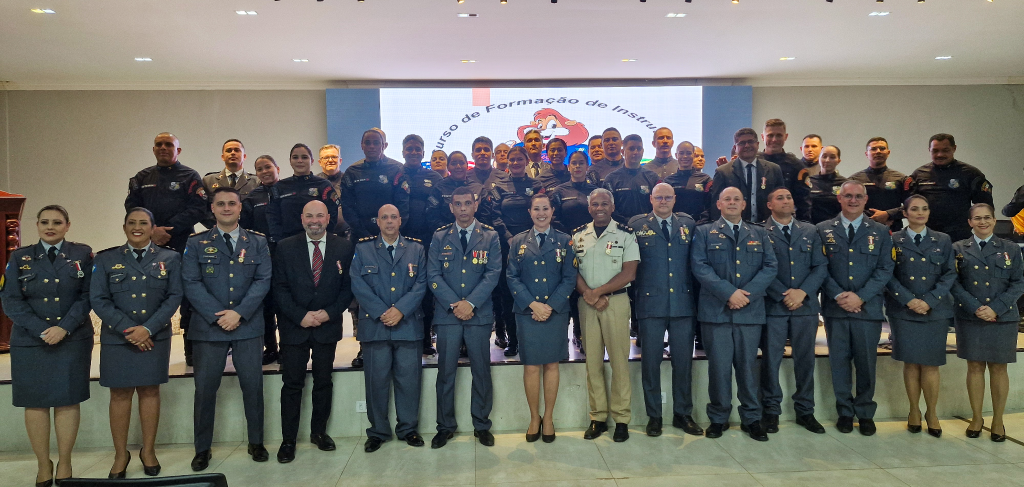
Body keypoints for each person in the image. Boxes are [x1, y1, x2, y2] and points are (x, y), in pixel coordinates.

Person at [182, 188, 272, 471]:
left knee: (253, 387)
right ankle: (202, 448)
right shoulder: (196, 242)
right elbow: (191, 282)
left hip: (247, 325)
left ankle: (256, 442)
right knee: (205, 390)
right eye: (220, 204)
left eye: (232, 203)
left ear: (240, 207)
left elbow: (263, 280)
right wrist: (218, 315)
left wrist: (239, 313)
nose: (226, 208)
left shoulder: (257, 241)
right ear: (212, 208)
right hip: (209, 328)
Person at [1, 205, 93, 486]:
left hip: (72, 337)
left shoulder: (82, 254)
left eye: (57, 222)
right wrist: (42, 330)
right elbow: (10, 300)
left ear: (68, 225)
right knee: (35, 403)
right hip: (31, 341)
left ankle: (65, 461)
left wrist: (64, 327)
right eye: (44, 222)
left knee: (67, 400)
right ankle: (43, 463)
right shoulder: (20, 257)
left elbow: (89, 295)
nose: (50, 227)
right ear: (37, 225)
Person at [91, 208, 182, 479]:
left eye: (143, 223)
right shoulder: (106, 259)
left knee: (150, 391)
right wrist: (128, 330)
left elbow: (174, 296)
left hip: (154, 337)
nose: (137, 227)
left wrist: (147, 329)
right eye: (131, 223)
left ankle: (148, 451)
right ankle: (120, 454)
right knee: (119, 395)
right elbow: (98, 298)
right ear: (124, 227)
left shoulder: (170, 258)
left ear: (153, 228)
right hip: (118, 338)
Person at [692, 187, 777, 441]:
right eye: (726, 199)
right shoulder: (704, 232)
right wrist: (729, 293)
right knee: (718, 368)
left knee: (748, 368)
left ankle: (752, 418)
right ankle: (718, 418)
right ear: (718, 204)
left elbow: (770, 266)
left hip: (749, 311)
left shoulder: (759, 233)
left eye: (736, 199)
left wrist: (746, 295)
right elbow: (700, 266)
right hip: (716, 312)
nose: (731, 202)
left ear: (744, 205)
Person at [273, 200, 354, 461]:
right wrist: (300, 316)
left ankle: (319, 433)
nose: (314, 221)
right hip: (294, 327)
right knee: (292, 384)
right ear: (302, 219)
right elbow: (279, 288)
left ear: (328, 218)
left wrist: (330, 312)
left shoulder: (344, 246)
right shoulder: (285, 247)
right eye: (309, 216)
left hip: (327, 326)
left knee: (323, 382)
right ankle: (288, 440)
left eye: (320, 216)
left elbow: (348, 288)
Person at [817, 180, 895, 436]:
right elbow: (819, 267)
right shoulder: (823, 229)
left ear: (865, 200)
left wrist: (860, 297)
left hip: (867, 309)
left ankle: (865, 413)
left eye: (858, 196)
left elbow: (885, 269)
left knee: (866, 363)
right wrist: (839, 294)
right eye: (848, 196)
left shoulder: (880, 231)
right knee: (839, 362)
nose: (853, 200)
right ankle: (845, 412)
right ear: (839, 198)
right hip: (836, 308)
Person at [427, 186, 502, 449]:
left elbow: (493, 274)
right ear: (451, 207)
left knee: (481, 371)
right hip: (448, 315)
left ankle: (481, 425)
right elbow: (433, 274)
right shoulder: (440, 236)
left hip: (478, 314)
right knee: (445, 372)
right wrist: (455, 304)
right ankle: (445, 426)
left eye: (467, 203)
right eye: (457, 204)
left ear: (475, 205)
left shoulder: (490, 236)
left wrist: (470, 303)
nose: (462, 208)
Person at [628, 183, 703, 437]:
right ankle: (654, 416)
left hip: (682, 303)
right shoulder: (637, 225)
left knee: (683, 363)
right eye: (658, 197)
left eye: (667, 197)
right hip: (651, 304)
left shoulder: (688, 224)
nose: (663, 201)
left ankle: (683, 413)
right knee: (651, 363)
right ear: (650, 199)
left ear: (675, 199)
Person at [125, 132, 206, 366]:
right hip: (149, 246)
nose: (163, 147)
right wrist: (152, 231)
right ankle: (149, 350)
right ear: (153, 149)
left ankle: (192, 353)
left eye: (168, 144)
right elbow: (132, 209)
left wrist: (168, 229)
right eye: (159, 144)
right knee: (151, 297)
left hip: (182, 245)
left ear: (177, 150)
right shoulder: (141, 177)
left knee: (189, 300)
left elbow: (198, 208)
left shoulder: (190, 176)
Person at [351, 204, 426, 452]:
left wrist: (400, 310)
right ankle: (378, 431)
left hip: (407, 325)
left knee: (409, 381)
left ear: (400, 221)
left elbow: (422, 283)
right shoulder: (363, 249)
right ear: (378, 221)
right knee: (376, 382)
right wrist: (382, 312)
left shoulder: (416, 249)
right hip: (376, 326)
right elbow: (357, 283)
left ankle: (408, 429)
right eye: (385, 217)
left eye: (394, 217)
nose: (390, 221)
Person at [505, 193, 577, 443]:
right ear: (530, 212)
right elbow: (511, 277)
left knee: (552, 365)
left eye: (545, 208)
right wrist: (533, 304)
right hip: (527, 312)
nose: (541, 213)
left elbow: (569, 278)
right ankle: (534, 417)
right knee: (531, 366)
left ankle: (548, 418)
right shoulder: (518, 241)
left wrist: (550, 306)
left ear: (552, 211)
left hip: (555, 312)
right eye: (536, 209)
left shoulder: (565, 240)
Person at [952, 203, 1024, 442]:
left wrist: (996, 308)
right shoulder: (958, 248)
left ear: (994, 220)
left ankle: (998, 420)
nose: (982, 222)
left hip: (1002, 317)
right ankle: (976, 418)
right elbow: (953, 283)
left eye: (987, 218)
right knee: (974, 367)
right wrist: (976, 308)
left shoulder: (1010, 248)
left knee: (998, 368)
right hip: (970, 316)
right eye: (977, 218)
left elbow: (1018, 283)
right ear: (970, 222)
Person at [885, 194, 956, 438]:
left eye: (925, 209)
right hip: (904, 310)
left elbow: (949, 274)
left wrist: (929, 301)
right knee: (911, 363)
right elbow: (888, 274)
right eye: (914, 209)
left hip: (934, 310)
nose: (920, 213)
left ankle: (932, 413)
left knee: (931, 364)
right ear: (905, 213)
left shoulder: (943, 239)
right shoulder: (893, 239)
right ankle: (914, 410)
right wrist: (910, 300)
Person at [573, 188, 639, 443]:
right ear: (589, 208)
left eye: (604, 204)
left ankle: (621, 419)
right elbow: (572, 272)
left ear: (612, 207)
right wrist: (589, 295)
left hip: (616, 302)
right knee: (593, 363)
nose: (599, 208)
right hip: (587, 304)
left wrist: (597, 293)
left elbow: (629, 273)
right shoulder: (579, 235)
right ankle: (598, 417)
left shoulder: (625, 234)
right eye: (594, 204)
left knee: (619, 362)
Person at [761, 188, 828, 434]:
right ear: (769, 205)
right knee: (771, 360)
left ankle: (805, 411)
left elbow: (820, 266)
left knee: (805, 360)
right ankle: (771, 411)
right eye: (780, 198)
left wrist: (803, 293)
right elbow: (759, 268)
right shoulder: (760, 232)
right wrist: (783, 294)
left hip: (805, 306)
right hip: (774, 306)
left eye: (789, 197)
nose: (786, 201)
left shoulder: (810, 231)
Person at [482, 146, 543, 356]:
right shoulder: (499, 187)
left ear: (526, 161)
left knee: (533, 292)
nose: (515, 163)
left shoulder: (536, 185)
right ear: (507, 162)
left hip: (533, 245)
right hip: (505, 246)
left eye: (519, 159)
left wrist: (528, 240)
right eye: (512, 160)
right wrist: (509, 238)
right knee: (508, 295)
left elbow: (541, 214)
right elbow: (495, 215)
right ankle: (513, 341)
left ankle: (533, 339)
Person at [400, 135, 444, 356]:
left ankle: (426, 338)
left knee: (426, 290)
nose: (414, 152)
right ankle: (404, 336)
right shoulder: (395, 174)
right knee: (403, 288)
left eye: (418, 149)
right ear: (403, 152)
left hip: (428, 241)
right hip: (401, 241)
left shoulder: (434, 177)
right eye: (410, 149)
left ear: (423, 152)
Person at [550, 151, 597, 353]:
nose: (577, 167)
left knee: (586, 288)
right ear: (568, 167)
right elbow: (554, 218)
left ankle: (582, 333)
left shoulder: (596, 191)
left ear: (587, 166)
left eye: (581, 163)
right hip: (566, 246)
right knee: (567, 290)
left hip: (592, 247)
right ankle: (563, 336)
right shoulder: (559, 191)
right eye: (574, 163)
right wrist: (569, 238)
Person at [908, 134, 993, 242]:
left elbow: (985, 207)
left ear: (954, 148)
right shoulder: (919, 174)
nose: (940, 154)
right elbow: (909, 205)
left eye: (945, 150)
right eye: (935, 151)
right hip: (926, 235)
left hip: (960, 236)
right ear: (929, 150)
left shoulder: (971, 174)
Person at [240, 155, 283, 365]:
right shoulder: (251, 198)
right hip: (262, 257)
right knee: (265, 306)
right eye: (260, 169)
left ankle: (288, 347)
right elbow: (246, 231)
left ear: (277, 168)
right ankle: (270, 348)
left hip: (286, 255)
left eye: (268, 167)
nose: (265, 171)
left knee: (285, 303)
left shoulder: (288, 191)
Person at [341, 129, 411, 241]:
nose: (372, 146)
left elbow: (403, 205)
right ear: (362, 146)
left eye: (376, 143)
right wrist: (363, 234)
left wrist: (391, 232)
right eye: (367, 143)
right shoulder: (352, 172)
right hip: (360, 236)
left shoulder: (396, 171)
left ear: (383, 146)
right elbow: (347, 208)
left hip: (390, 235)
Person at [708, 128, 785, 223]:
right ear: (735, 148)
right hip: (734, 227)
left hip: (767, 227)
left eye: (750, 142)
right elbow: (716, 206)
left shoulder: (773, 169)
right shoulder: (723, 172)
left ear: (757, 144)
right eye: (742, 143)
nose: (747, 146)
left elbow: (780, 200)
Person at [267, 143, 339, 243]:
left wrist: (323, 238)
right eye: (295, 157)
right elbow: (273, 218)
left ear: (312, 161)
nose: (300, 161)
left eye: (304, 157)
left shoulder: (323, 185)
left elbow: (332, 214)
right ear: (290, 161)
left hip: (318, 241)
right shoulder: (279, 187)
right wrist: (281, 242)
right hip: (287, 243)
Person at [849, 137, 910, 231]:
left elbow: (911, 205)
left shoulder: (901, 179)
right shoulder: (854, 180)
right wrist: (874, 218)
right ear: (866, 154)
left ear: (888, 152)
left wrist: (888, 214)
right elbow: (847, 205)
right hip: (862, 230)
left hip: (892, 230)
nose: (878, 151)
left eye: (882, 148)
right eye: (873, 149)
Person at [759, 119, 812, 221]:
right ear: (762, 137)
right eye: (770, 135)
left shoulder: (796, 165)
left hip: (785, 221)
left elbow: (804, 202)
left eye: (779, 135)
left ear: (785, 137)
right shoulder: (754, 162)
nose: (774, 139)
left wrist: (802, 226)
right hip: (757, 222)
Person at [604, 134, 660, 225]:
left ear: (643, 151)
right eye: (631, 149)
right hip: (620, 227)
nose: (636, 152)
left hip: (648, 227)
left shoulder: (653, 177)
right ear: (623, 152)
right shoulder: (611, 179)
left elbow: (659, 204)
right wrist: (626, 223)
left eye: (639, 149)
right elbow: (608, 207)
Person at [426, 151, 483, 231]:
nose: (458, 166)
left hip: (476, 234)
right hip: (446, 235)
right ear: (448, 167)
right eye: (454, 163)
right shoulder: (439, 188)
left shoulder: (478, 188)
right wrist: (452, 232)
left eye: (461, 163)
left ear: (467, 165)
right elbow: (432, 216)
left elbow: (485, 216)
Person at [202, 139, 259, 215]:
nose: (233, 153)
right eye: (229, 151)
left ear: (244, 156)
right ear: (223, 157)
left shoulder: (256, 181)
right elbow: (202, 209)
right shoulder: (208, 181)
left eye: (237, 150)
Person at [665, 141, 713, 222]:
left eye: (688, 153)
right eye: (681, 153)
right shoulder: (668, 181)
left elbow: (711, 206)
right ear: (676, 155)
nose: (685, 156)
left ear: (693, 155)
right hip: (675, 224)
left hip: (699, 225)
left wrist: (702, 223)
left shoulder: (705, 179)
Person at [809, 145, 847, 224]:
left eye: (832, 157)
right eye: (824, 156)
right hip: (812, 227)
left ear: (838, 161)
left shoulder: (845, 184)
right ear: (819, 159)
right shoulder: (809, 182)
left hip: (837, 227)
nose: (827, 160)